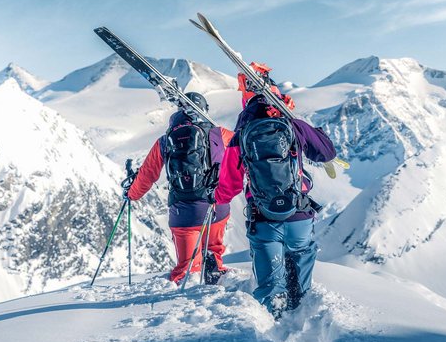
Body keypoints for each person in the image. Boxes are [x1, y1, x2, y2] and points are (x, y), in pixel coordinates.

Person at [214, 63, 336, 317]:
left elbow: (229, 184)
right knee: (300, 286)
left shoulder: (241, 135)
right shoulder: (294, 126)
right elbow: (326, 153)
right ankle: (302, 319)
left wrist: (218, 199)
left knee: (271, 287)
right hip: (299, 217)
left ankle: (272, 333)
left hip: (264, 219)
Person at [126, 92, 234, 285]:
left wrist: (131, 194)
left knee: (187, 267)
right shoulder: (221, 134)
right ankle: (216, 277)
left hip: (184, 212)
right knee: (213, 250)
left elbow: (147, 175)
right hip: (217, 207)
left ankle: (189, 299)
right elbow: (245, 156)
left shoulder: (166, 140)